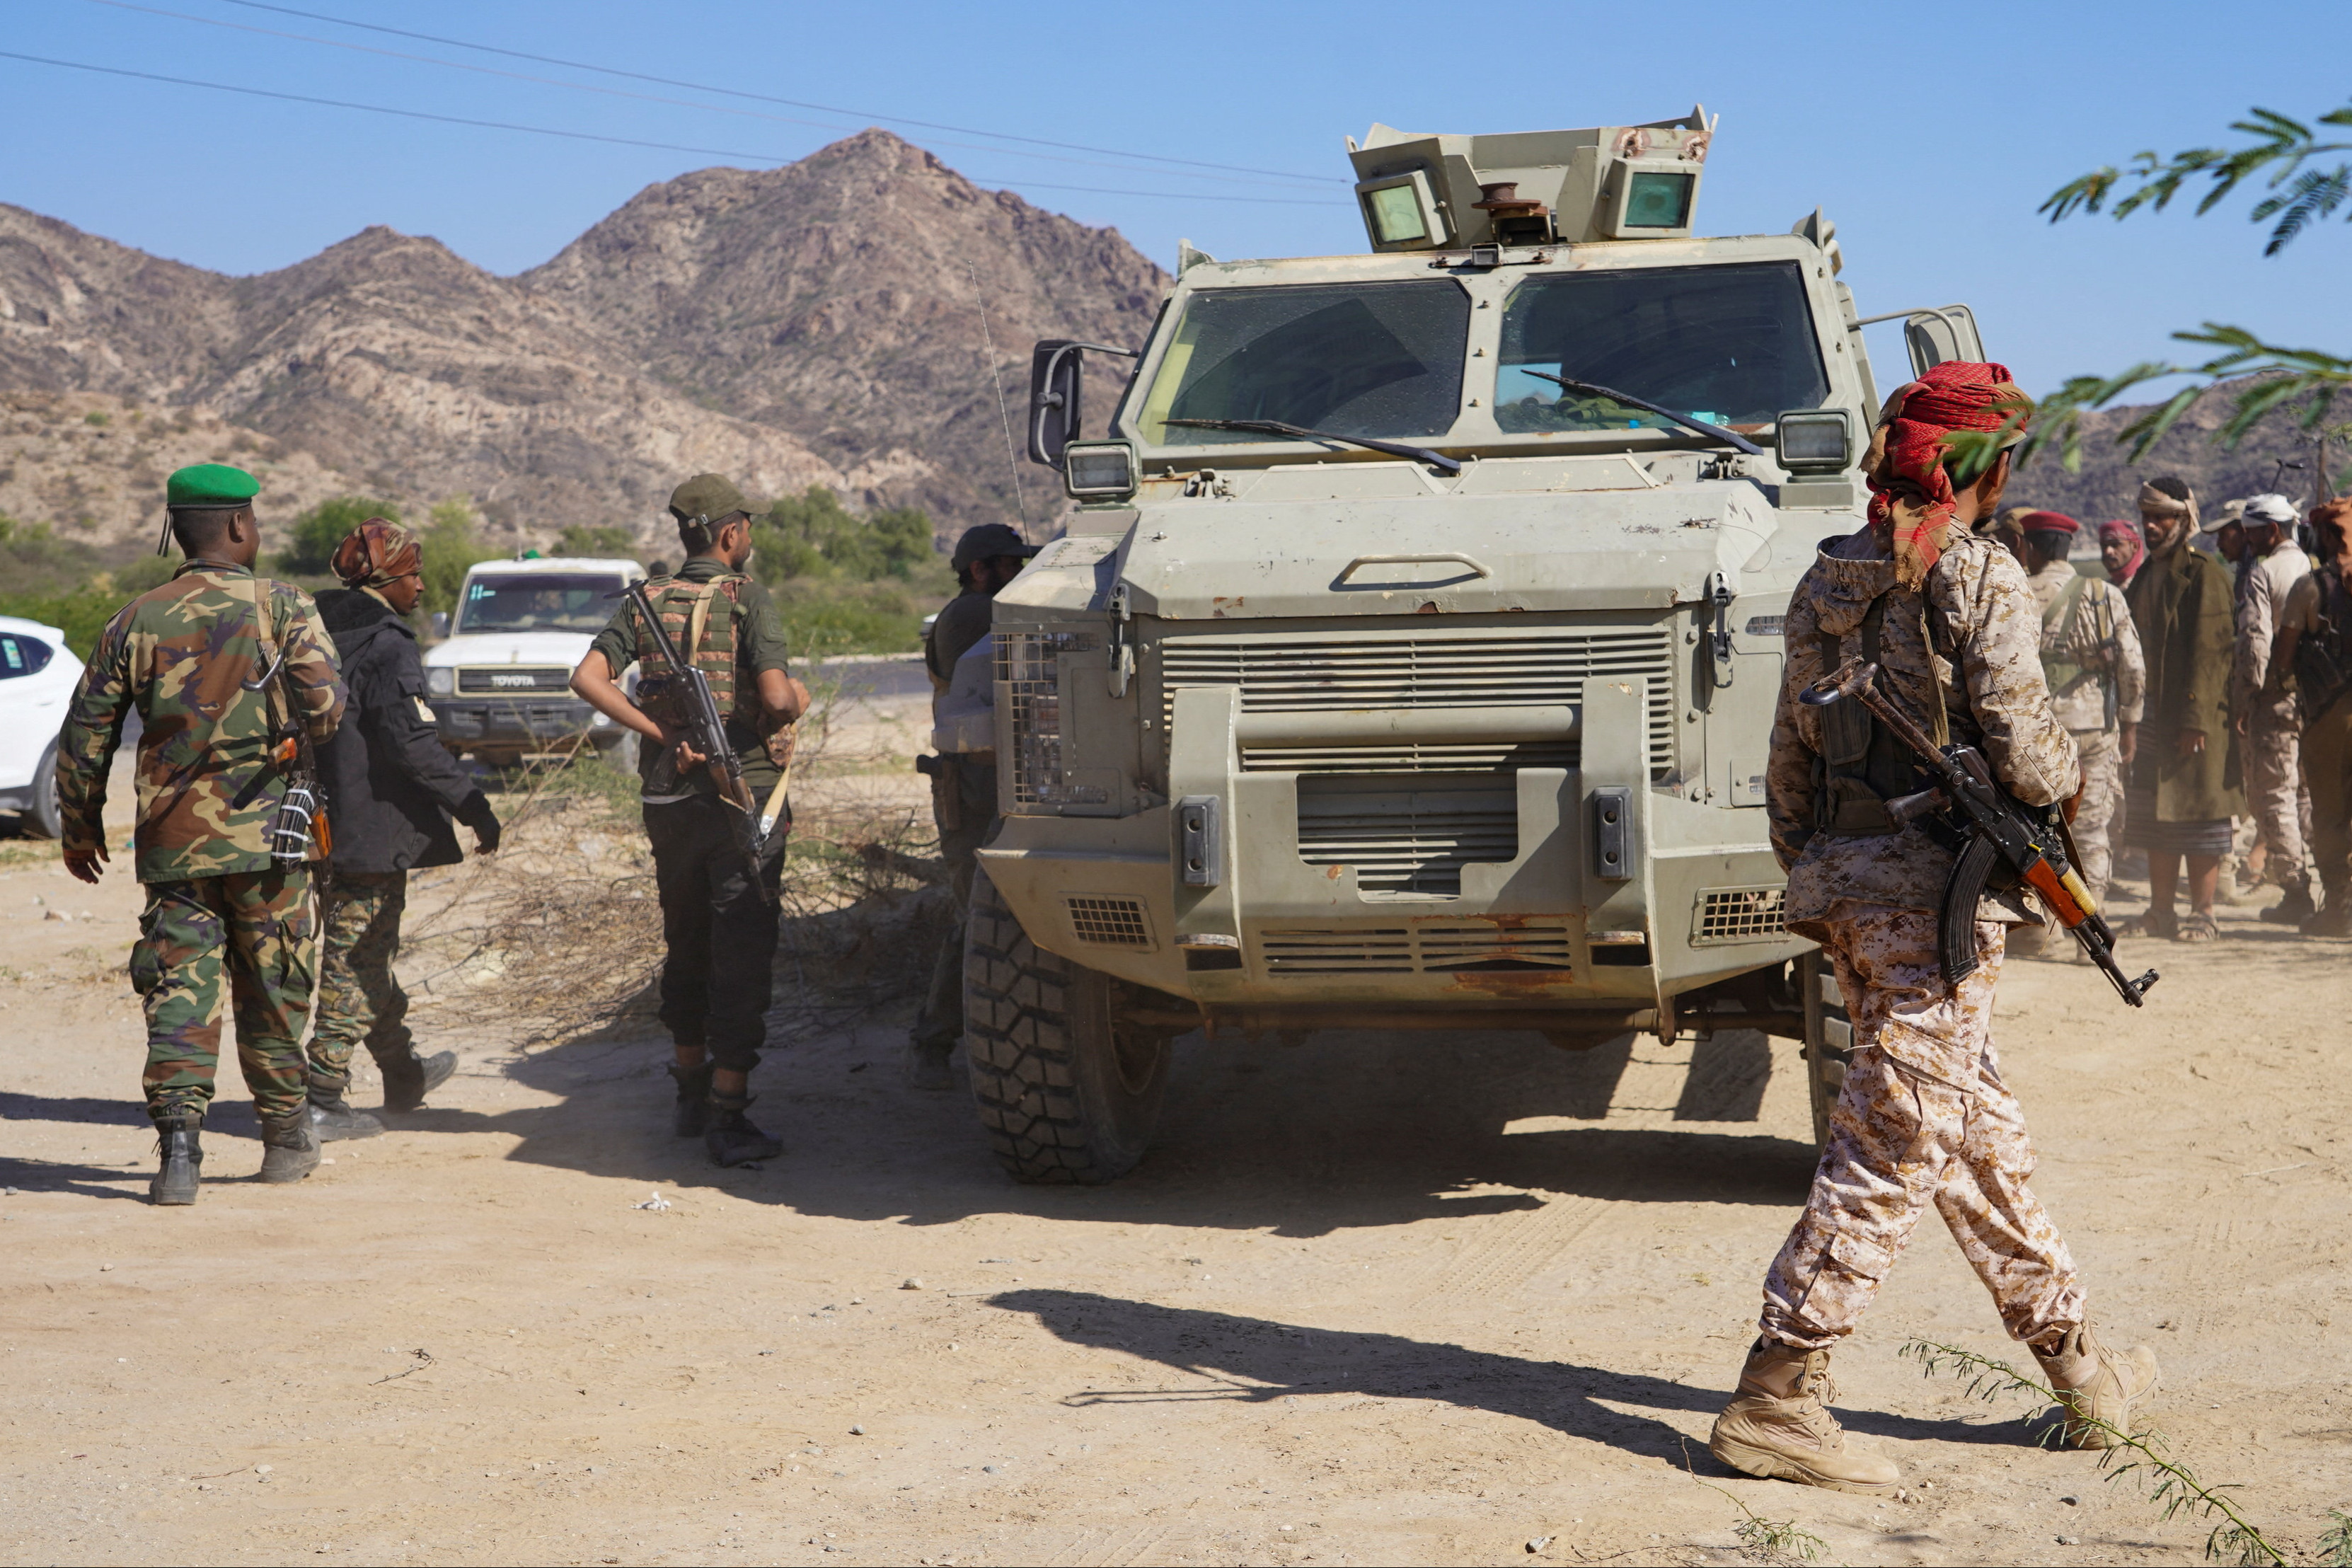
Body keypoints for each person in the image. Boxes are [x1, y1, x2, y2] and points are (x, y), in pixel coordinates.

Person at [1713, 363, 2156, 1494]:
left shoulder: (1828, 574)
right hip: (1934, 898)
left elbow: (1789, 754)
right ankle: (1778, 1388)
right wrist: (2051, 815)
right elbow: (2027, 741)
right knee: (1902, 1134)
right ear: (1976, 466)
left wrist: (1820, 868)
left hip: (1854, 887)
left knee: (1969, 1129)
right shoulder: (1975, 573)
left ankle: (2079, 1368)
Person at [52, 464, 346, 1204]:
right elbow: (329, 710)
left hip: (173, 842)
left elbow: (86, 733)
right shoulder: (285, 606)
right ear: (241, 527)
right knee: (276, 982)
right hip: (272, 842)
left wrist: (80, 827)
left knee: (182, 987)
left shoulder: (136, 617)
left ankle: (179, 1151)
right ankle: (284, 1138)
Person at [570, 475, 808, 1166]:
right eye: (749, 528)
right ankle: (729, 1115)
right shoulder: (747, 598)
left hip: (668, 798)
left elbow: (587, 678)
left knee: (687, 937)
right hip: (744, 800)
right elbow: (772, 695)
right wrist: (795, 694)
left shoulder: (645, 600)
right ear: (730, 534)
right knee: (741, 947)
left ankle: (689, 1091)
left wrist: (663, 737)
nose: (750, 539)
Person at [304, 518, 505, 1139]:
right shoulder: (388, 644)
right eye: (412, 573)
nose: (421, 585)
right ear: (384, 579)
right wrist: (472, 804)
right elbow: (412, 743)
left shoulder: (312, 630)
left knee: (368, 949)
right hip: (372, 829)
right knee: (355, 957)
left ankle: (401, 1073)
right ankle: (321, 1096)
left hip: (318, 823)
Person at [906, 521, 1039, 1090]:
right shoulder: (972, 616)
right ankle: (933, 1041)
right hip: (972, 783)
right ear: (980, 571)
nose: (1023, 575)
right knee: (974, 914)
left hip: (997, 778)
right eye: (1011, 566)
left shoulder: (989, 610)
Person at [2119, 477, 2242, 941]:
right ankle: (2159, 912)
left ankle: (2204, 912)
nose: (2151, 526)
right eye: (2146, 516)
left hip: (2196, 717)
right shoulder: (2147, 575)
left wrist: (2194, 717)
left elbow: (2211, 653)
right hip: (2150, 715)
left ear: (2183, 518)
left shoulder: (2205, 573)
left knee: (2200, 814)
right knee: (2154, 817)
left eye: (2161, 517)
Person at [2002, 511, 2143, 913]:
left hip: (2036, 731)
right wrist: (2130, 722)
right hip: (2093, 728)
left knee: (2035, 828)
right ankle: (2091, 923)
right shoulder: (2104, 594)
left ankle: (2042, 921)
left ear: (2030, 546)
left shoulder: (2019, 592)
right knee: (2093, 828)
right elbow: (2133, 666)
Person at [2225, 495, 2317, 924]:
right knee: (2303, 794)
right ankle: (2332, 884)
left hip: (2275, 700)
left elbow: (2255, 642)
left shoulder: (2265, 572)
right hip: (2315, 700)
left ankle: (2296, 892)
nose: (2247, 541)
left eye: (2252, 533)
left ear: (2272, 532)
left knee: (2274, 796)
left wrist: (2246, 697)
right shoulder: (2313, 569)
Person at [2271, 497, 2352, 935]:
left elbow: (2283, 659)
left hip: (2328, 718)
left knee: (2330, 812)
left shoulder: (2310, 587)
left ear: (2322, 535)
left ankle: (2340, 911)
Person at [2099, 519, 2145, 591]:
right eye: (2104, 546)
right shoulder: (2102, 590)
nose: (2108, 551)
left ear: (2134, 546)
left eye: (2115, 545)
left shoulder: (2148, 585)